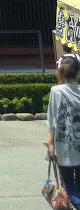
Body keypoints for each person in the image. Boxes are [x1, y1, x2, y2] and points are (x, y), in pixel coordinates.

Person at [46, 55, 80, 209]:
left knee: (68, 184)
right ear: (78, 72)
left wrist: (50, 143)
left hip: (63, 145)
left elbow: (52, 120)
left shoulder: (56, 91)